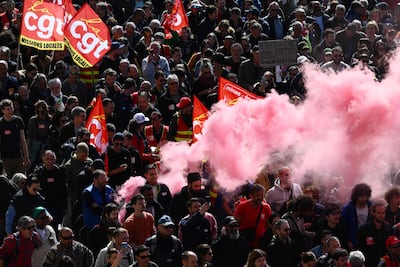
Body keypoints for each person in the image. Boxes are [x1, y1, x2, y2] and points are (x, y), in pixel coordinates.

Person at [32, 150, 67, 227]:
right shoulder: (38, 172)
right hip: (43, 205)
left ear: (55, 159)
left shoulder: (60, 172)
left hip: (57, 205)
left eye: (52, 159)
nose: (50, 161)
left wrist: (64, 206)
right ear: (43, 159)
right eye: (47, 159)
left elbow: (64, 189)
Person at [235, 183, 272, 249]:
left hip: (261, 243)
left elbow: (268, 226)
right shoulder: (242, 207)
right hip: (245, 243)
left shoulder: (266, 208)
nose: (260, 198)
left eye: (261, 195)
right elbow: (236, 224)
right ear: (251, 195)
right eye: (257, 195)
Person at [357, 198, 392, 267]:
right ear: (373, 213)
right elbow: (360, 248)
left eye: (383, 213)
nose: (381, 215)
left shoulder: (388, 228)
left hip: (385, 263)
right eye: (379, 213)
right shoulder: (364, 230)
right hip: (369, 263)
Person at [0, 98, 29, 176]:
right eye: (7, 109)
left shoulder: (18, 121)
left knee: (22, 179)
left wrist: (26, 156)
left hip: (18, 157)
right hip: (5, 158)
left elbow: (23, 140)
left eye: (11, 108)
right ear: (3, 111)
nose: (10, 111)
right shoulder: (1, 123)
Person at [341, 183, 372, 250]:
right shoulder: (347, 209)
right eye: (361, 196)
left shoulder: (371, 207)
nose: (364, 198)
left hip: (368, 240)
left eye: (366, 196)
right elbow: (343, 227)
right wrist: (348, 240)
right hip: (353, 241)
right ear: (356, 196)